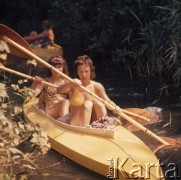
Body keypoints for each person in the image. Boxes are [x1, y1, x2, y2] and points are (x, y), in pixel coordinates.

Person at [57, 55, 120, 126]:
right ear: (77, 72)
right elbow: (58, 90)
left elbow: (107, 101)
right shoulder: (73, 85)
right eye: (81, 72)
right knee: (88, 104)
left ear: (91, 71)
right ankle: (85, 129)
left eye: (86, 71)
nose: (84, 75)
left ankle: (103, 126)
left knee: (98, 103)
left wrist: (115, 107)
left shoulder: (97, 86)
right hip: (76, 122)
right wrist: (70, 83)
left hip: (94, 123)